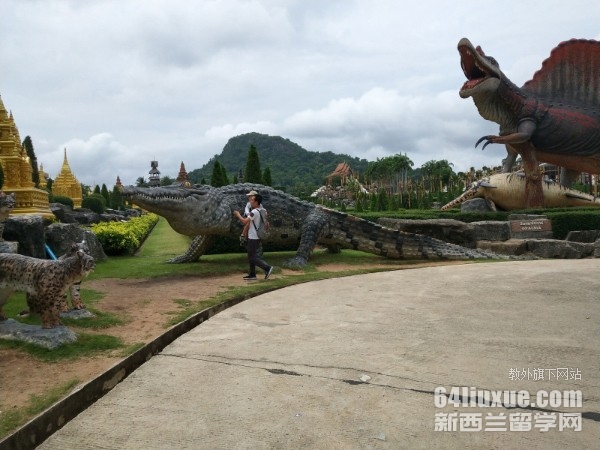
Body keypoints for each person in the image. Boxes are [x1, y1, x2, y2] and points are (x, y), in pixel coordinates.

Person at [233, 193, 274, 281]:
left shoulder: (254, 212)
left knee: (252, 256)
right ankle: (252, 274)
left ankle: (267, 268)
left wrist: (237, 214)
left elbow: (244, 221)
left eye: (252, 200)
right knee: (251, 255)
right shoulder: (263, 210)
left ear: (256, 202)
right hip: (257, 236)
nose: (250, 201)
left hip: (253, 237)